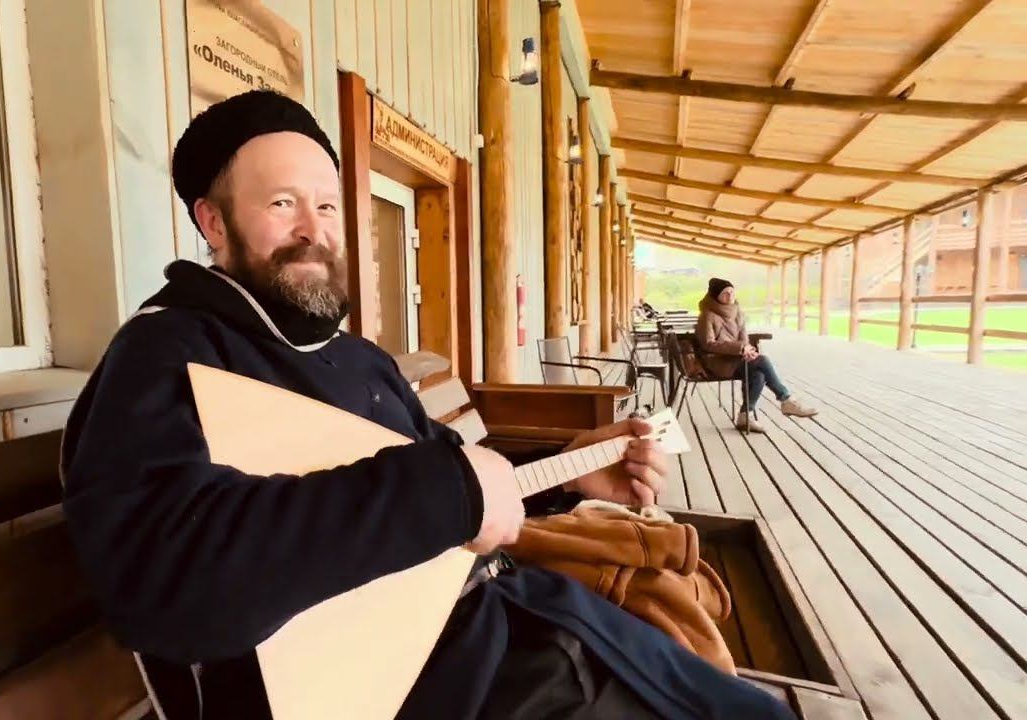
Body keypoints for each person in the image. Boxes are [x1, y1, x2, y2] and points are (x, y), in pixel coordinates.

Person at [60, 91, 794, 719]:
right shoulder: (165, 356)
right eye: (282, 204)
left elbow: (437, 504)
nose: (315, 228)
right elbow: (162, 583)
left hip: (501, 629)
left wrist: (561, 477)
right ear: (214, 223)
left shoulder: (358, 357)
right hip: (431, 687)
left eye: (326, 204)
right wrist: (450, 493)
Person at [695, 277, 817, 433]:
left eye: (732, 292)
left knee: (758, 373)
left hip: (738, 360)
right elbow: (708, 344)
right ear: (715, 296)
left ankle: (745, 416)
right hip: (718, 362)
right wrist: (741, 348)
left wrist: (748, 351)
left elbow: (744, 339)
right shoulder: (707, 315)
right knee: (763, 360)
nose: (730, 295)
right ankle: (786, 400)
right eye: (725, 293)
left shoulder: (737, 312)